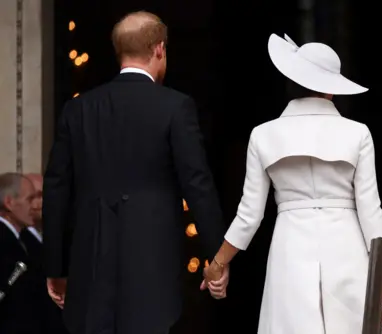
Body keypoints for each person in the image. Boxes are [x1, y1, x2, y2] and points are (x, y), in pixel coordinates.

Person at [201, 34, 382, 333]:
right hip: (346, 247)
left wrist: (218, 264)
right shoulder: (358, 133)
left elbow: (249, 216)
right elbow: (371, 211)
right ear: (332, 90)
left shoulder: (263, 135)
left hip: (290, 248)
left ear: (293, 81)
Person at [43, 11, 227, 334]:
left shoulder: (79, 109)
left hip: (90, 263)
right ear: (159, 49)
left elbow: (57, 190)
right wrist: (217, 258)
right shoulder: (175, 106)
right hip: (153, 263)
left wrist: (55, 267)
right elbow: (197, 185)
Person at [0, 172, 40, 334]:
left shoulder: (24, 238)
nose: (35, 206)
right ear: (9, 202)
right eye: (29, 199)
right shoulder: (3, 241)